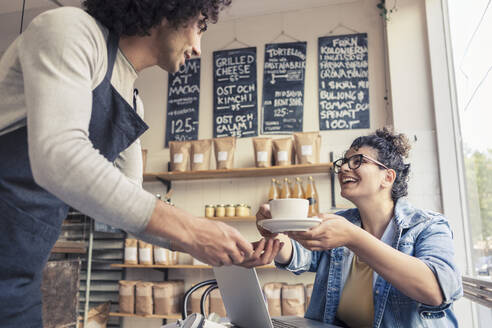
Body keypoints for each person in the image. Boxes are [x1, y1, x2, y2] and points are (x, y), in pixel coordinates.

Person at [0, 1, 257, 326]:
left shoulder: (132, 102)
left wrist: (206, 245)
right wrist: (192, 231)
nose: (197, 48)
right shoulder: (70, 30)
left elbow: (131, 211)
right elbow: (59, 156)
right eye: (200, 26)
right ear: (169, 9)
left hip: (21, 271)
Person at [251, 127, 463, 327]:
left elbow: (436, 290)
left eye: (357, 161)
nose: (343, 168)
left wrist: (353, 238)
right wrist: (276, 229)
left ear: (387, 177)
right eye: (343, 162)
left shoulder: (428, 226)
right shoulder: (343, 222)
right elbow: (300, 254)